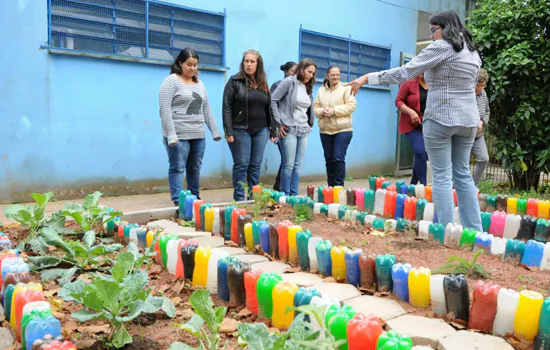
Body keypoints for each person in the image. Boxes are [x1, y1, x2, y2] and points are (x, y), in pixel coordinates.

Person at [346, 10, 482, 231]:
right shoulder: (473, 53)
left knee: (441, 176)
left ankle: (446, 231)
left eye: (433, 30)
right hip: (468, 120)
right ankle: (476, 232)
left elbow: (404, 73)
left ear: (445, 28)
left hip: (441, 118)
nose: (431, 35)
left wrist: (366, 78)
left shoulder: (442, 47)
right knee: (463, 174)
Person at [159, 48, 221, 206]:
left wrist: (214, 130)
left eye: (195, 65)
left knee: (194, 168)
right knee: (178, 168)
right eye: (189, 64)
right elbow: (164, 109)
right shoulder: (171, 81)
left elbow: (206, 108)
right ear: (180, 63)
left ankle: (195, 200)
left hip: (198, 135)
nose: (192, 68)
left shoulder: (199, 83)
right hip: (178, 135)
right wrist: (171, 134)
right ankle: (179, 202)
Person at [223, 49, 276, 201]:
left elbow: (269, 108)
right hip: (240, 129)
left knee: (255, 165)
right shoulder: (234, 81)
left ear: (258, 64)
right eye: (246, 61)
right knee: (241, 164)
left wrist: (273, 130)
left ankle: (253, 199)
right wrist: (228, 131)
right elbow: (226, 106)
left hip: (262, 130)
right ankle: (239, 199)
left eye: (252, 61)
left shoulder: (263, 83)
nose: (249, 64)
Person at [271, 58, 317, 196]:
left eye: (313, 73)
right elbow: (273, 100)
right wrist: (279, 123)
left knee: (298, 166)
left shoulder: (308, 87)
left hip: (303, 130)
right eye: (309, 72)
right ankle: (286, 195)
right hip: (289, 129)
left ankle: (294, 195)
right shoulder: (289, 82)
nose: (311, 75)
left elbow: (308, 108)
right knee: (288, 165)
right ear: (302, 69)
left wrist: (310, 124)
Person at [313, 65, 356, 187]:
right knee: (329, 159)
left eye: (337, 74)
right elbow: (315, 108)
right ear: (327, 76)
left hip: (343, 130)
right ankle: (330, 187)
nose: (335, 77)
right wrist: (322, 112)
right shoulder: (321, 90)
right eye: (332, 74)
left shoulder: (346, 88)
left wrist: (334, 111)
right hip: (325, 130)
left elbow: (351, 106)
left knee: (338, 158)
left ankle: (338, 187)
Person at [395, 73, 429, 185]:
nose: (422, 74)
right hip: (412, 124)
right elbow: (398, 101)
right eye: (421, 71)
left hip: (428, 125)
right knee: (421, 151)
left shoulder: (435, 84)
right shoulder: (409, 83)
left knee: (422, 155)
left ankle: (413, 184)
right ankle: (424, 186)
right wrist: (411, 112)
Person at [270, 61, 297, 191]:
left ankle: (279, 186)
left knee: (289, 159)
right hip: (282, 128)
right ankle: (281, 187)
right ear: (286, 72)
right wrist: (275, 128)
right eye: (293, 71)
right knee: (287, 159)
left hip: (295, 128)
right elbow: (271, 106)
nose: (296, 74)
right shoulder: (277, 85)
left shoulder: (299, 86)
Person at [471, 69, 490, 186]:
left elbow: (487, 112)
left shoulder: (484, 94)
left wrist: (482, 122)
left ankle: (473, 186)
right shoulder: (466, 94)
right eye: (478, 85)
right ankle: (454, 188)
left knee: (484, 159)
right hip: (464, 136)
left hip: (478, 136)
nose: (480, 88)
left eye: (483, 85)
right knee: (460, 163)